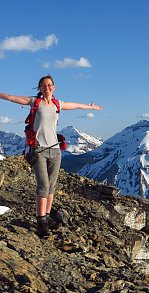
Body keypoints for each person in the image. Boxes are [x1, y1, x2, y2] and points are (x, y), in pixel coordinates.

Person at [0, 75, 103, 237]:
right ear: (40, 89)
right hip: (39, 150)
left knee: (52, 187)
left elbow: (75, 105)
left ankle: (46, 218)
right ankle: (41, 222)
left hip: (55, 150)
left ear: (53, 87)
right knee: (43, 186)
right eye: (43, 85)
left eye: (49, 85)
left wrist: (90, 107)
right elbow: (12, 98)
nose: (47, 87)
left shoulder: (57, 104)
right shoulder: (35, 102)